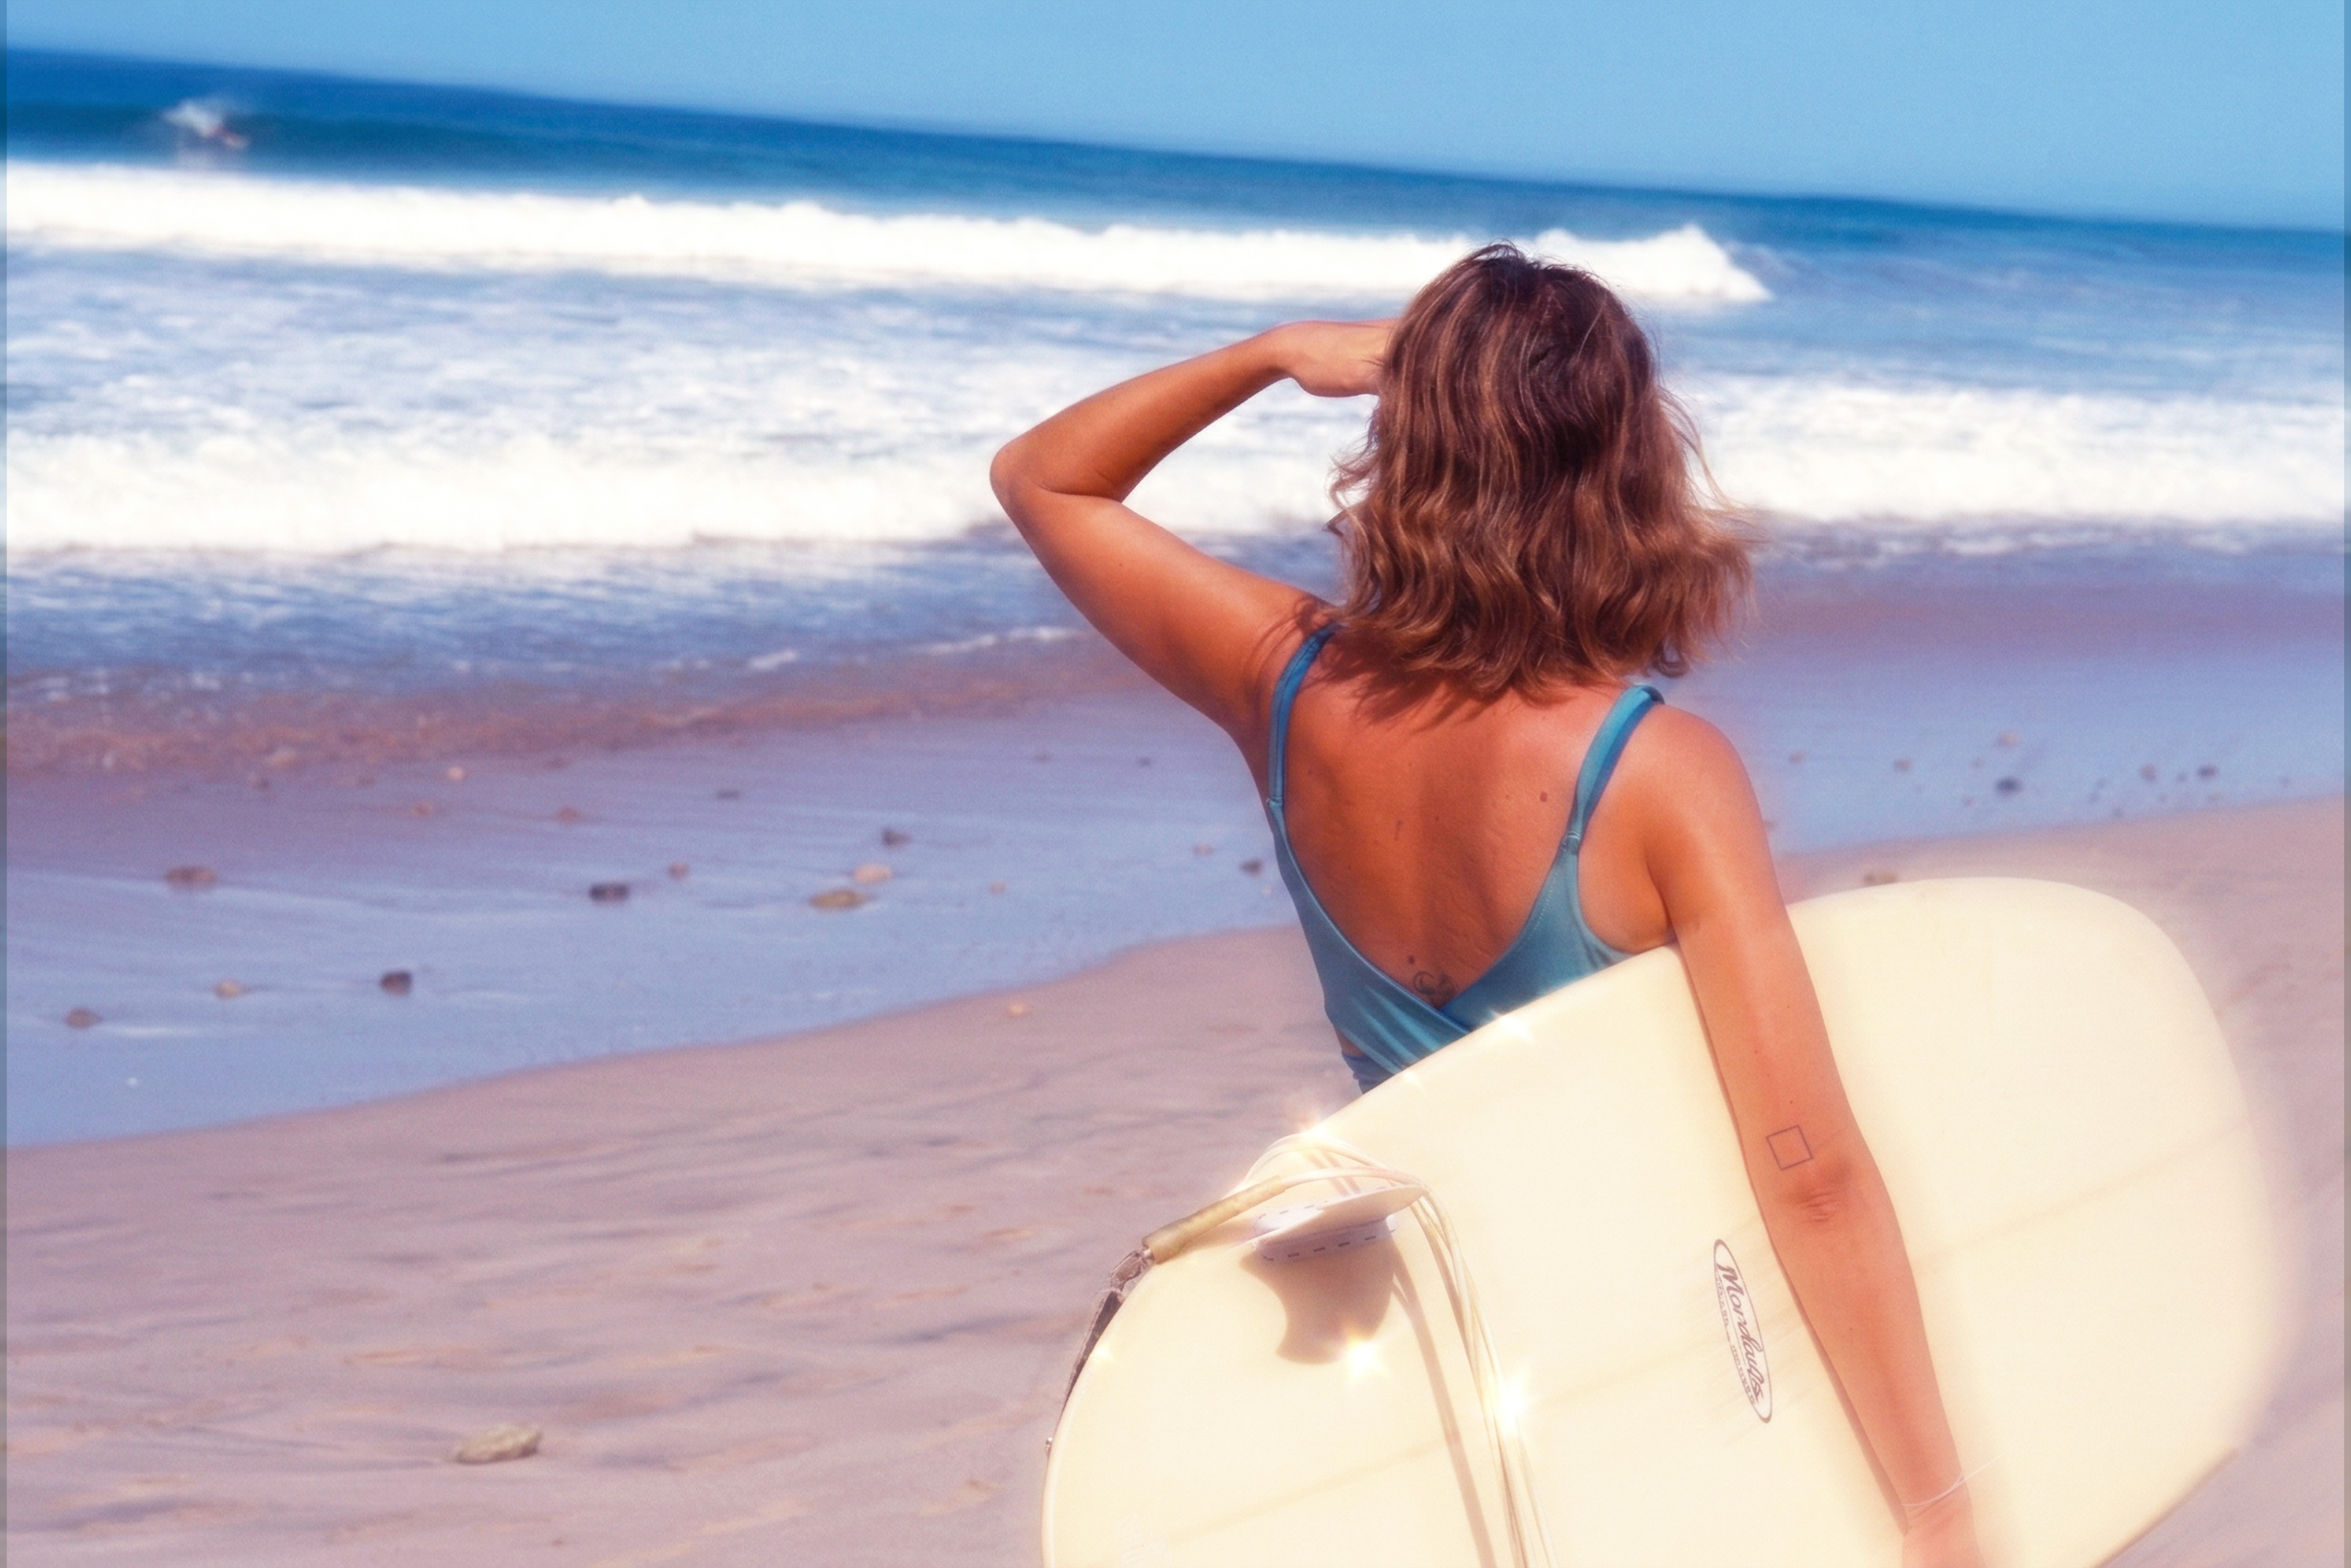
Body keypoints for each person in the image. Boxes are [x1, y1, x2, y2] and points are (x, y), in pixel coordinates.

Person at [991, 244, 1984, 1568]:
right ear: (1623, 468)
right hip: (1657, 1351)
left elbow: (1041, 478)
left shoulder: (1284, 685)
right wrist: (1940, 1520)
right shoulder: (1657, 778)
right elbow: (1809, 1183)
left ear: (1405, 454)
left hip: (1442, 1369)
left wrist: (1271, 355)